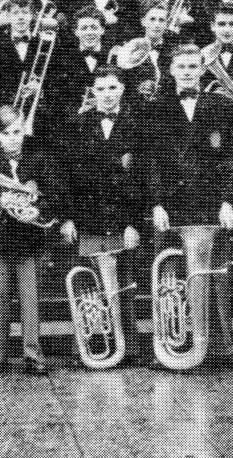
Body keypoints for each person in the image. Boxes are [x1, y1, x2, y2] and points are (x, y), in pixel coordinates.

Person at [145, 43, 233, 366]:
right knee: (171, 276)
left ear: (202, 70)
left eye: (193, 66)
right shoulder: (155, 108)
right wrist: (157, 204)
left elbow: (230, 159)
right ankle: (173, 349)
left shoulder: (220, 106)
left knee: (215, 275)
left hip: (211, 203)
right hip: (172, 205)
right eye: (181, 67)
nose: (187, 72)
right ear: (171, 70)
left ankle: (223, 348)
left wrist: (228, 201)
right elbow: (152, 163)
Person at [0, 105, 66, 375]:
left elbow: (56, 193)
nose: (15, 138)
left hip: (30, 240)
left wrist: (38, 211)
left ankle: (33, 355)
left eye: (19, 131)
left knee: (31, 300)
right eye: (8, 133)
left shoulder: (40, 156)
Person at [61, 66, 144, 364]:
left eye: (113, 88)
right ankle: (91, 346)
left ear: (122, 89)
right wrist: (68, 217)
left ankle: (129, 347)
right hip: (88, 216)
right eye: (101, 89)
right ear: (92, 92)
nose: (107, 95)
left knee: (124, 284)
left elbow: (143, 176)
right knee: (88, 287)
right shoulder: (76, 125)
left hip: (123, 218)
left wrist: (134, 222)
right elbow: (66, 175)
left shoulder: (138, 123)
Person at [54, 5, 110, 118]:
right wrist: (77, 113)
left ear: (102, 30)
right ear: (76, 32)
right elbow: (57, 97)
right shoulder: (62, 58)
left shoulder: (113, 57)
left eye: (94, 27)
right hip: (72, 124)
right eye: (84, 28)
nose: (89, 32)